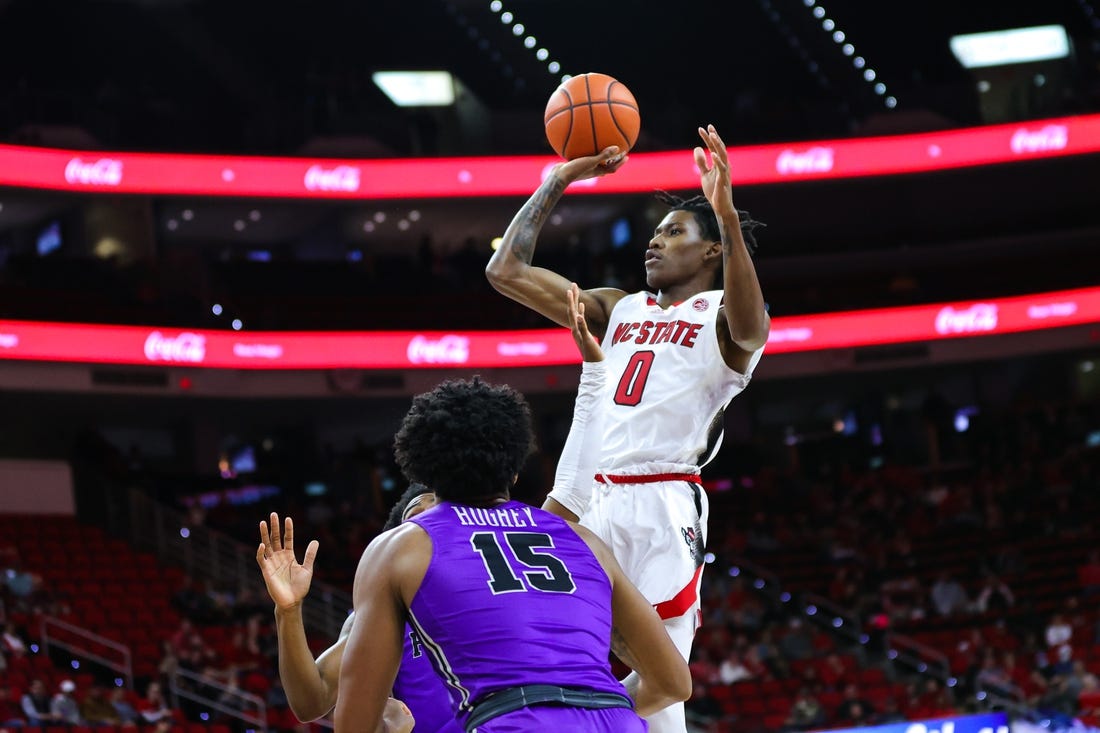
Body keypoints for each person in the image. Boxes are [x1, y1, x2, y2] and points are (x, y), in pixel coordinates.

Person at [486, 125, 769, 732]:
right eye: (655, 232)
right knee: (556, 647)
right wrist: (558, 179)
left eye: (674, 233)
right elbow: (506, 270)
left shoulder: (723, 318)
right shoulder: (618, 307)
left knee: (664, 686)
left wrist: (723, 211)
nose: (654, 242)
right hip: (592, 498)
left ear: (712, 252)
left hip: (664, 501)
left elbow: (752, 328)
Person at [334, 291, 692, 732]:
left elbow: (354, 722)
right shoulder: (579, 539)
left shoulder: (401, 546)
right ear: (516, 472)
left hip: (512, 720)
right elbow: (674, 682)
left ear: (422, 468)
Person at [255, 489, 449, 733]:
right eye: (416, 518)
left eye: (436, 513)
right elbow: (312, 701)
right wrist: (288, 610)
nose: (427, 524)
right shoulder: (387, 609)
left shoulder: (497, 586)